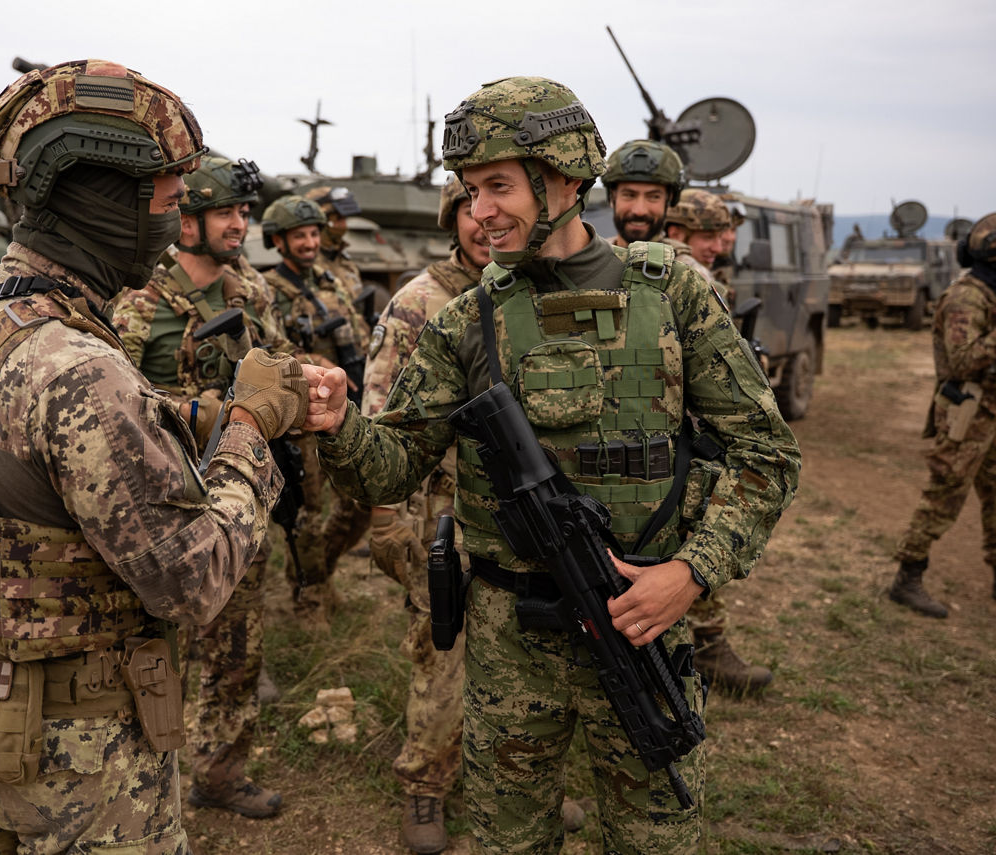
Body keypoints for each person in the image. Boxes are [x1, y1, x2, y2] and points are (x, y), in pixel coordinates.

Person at [303, 76, 800, 853]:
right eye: (470, 192)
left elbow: (766, 454)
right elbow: (391, 467)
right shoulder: (468, 317)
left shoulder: (674, 294)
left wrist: (692, 572)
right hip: (509, 640)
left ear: (565, 178)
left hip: (643, 620)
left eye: (498, 186)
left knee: (653, 837)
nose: (481, 212)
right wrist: (337, 424)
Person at [0, 60, 307, 855]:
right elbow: (195, 577)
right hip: (87, 759)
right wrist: (252, 421)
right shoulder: (78, 366)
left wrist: (192, 415)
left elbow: (29, 460)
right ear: (103, 199)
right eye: (169, 199)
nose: (174, 219)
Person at [109, 154, 292, 818]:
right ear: (185, 222)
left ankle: (219, 769)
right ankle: (139, 782)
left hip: (235, 489)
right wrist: (194, 412)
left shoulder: (252, 289)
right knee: (147, 651)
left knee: (237, 647)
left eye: (245, 211)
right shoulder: (137, 298)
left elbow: (277, 361)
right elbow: (111, 399)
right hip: (156, 497)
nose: (241, 224)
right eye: (227, 212)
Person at [606, 145, 769, 693]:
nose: (638, 207)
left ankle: (703, 651)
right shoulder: (592, 264)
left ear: (668, 205)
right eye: (628, 194)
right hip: (603, 444)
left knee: (680, 553)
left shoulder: (686, 277)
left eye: (652, 196)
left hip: (678, 444)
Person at [363, 175, 488, 853]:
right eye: (469, 208)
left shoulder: (540, 294)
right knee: (441, 654)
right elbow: (381, 416)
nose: (484, 222)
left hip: (527, 514)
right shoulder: (420, 304)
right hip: (444, 515)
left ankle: (514, 780)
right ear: (452, 219)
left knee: (527, 657)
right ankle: (425, 785)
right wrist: (386, 517)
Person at [261, 194, 371, 624]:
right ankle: (310, 596)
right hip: (301, 414)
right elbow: (266, 347)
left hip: (343, 404)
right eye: (298, 236)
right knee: (308, 511)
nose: (308, 242)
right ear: (279, 242)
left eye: (312, 233)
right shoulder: (268, 289)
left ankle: (320, 573)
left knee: (360, 499)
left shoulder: (332, 280)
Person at [890, 212, 996, 617]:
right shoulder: (968, 297)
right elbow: (964, 359)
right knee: (945, 493)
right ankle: (908, 576)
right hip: (967, 411)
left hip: (991, 408)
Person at [602, 139, 684, 247]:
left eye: (654, 197)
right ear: (612, 197)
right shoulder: (587, 260)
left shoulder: (685, 264)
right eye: (629, 195)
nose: (639, 211)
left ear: (669, 199)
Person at [304, 184, 364, 299]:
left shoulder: (343, 259)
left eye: (344, 219)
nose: (344, 226)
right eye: (338, 219)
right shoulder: (307, 264)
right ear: (322, 221)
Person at [663, 188, 732, 286]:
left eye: (720, 237)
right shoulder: (691, 277)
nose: (718, 248)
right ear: (675, 235)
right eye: (708, 237)